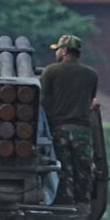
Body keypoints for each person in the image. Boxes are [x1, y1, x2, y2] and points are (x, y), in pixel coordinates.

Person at [40, 34, 98, 206]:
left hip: (60, 128)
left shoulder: (50, 71)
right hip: (83, 130)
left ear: (64, 51)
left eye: (57, 50)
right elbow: (90, 101)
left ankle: (64, 203)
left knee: (63, 168)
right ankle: (82, 203)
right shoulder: (91, 75)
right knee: (83, 169)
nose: (56, 53)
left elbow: (42, 100)